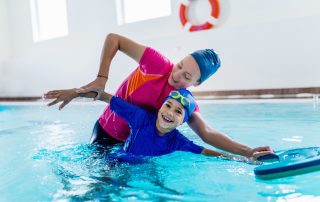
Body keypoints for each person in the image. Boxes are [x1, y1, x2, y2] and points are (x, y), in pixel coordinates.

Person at [44, 33, 273, 159]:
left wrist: (247, 151)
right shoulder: (156, 63)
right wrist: (100, 79)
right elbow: (114, 39)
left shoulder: (182, 101)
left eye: (186, 76)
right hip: (106, 131)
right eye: (180, 65)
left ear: (197, 83)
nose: (176, 75)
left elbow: (207, 133)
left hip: (132, 144)